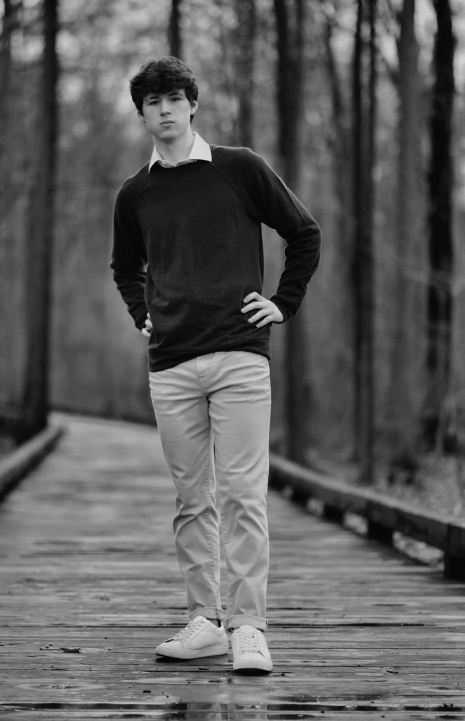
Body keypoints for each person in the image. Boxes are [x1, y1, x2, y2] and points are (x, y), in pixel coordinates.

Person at [110, 56, 321, 673]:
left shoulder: (239, 168)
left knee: (241, 495)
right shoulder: (135, 193)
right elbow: (126, 267)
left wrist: (282, 304)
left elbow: (303, 233)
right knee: (191, 499)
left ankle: (250, 627)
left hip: (238, 356)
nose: (166, 109)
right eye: (153, 102)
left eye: (175, 98)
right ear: (143, 113)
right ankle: (206, 621)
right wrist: (140, 312)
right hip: (170, 364)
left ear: (192, 104)